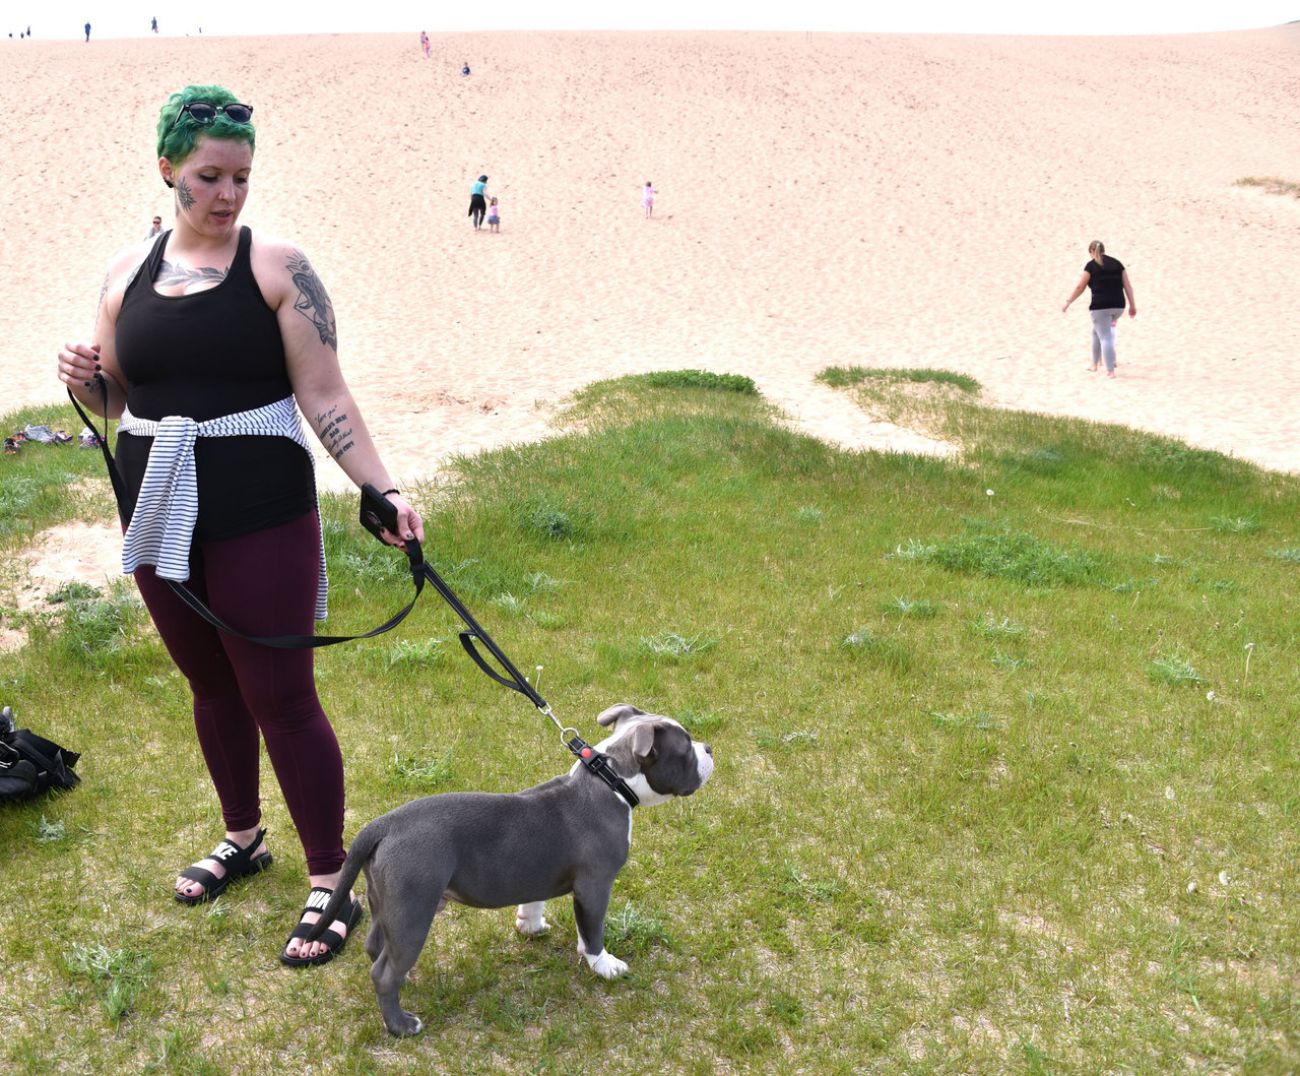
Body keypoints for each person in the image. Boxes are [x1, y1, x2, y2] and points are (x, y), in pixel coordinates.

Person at [55, 84, 424, 967]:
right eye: (209, 177)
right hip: (158, 511)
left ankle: (330, 878)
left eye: (241, 178)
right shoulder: (124, 274)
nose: (227, 195)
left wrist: (382, 490)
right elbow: (120, 398)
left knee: (283, 698)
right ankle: (243, 836)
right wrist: (81, 381)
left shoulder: (276, 268)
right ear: (167, 171)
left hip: (261, 511)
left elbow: (325, 394)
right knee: (212, 689)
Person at [1061, 240, 1136, 377]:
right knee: (1097, 332)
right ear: (1104, 250)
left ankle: (1110, 371)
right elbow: (1127, 285)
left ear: (1091, 252)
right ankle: (1094, 364)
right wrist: (1132, 305)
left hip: (1100, 307)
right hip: (1119, 306)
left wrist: (1068, 302)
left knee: (1105, 337)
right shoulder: (1117, 263)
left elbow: (1080, 287)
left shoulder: (1091, 266)